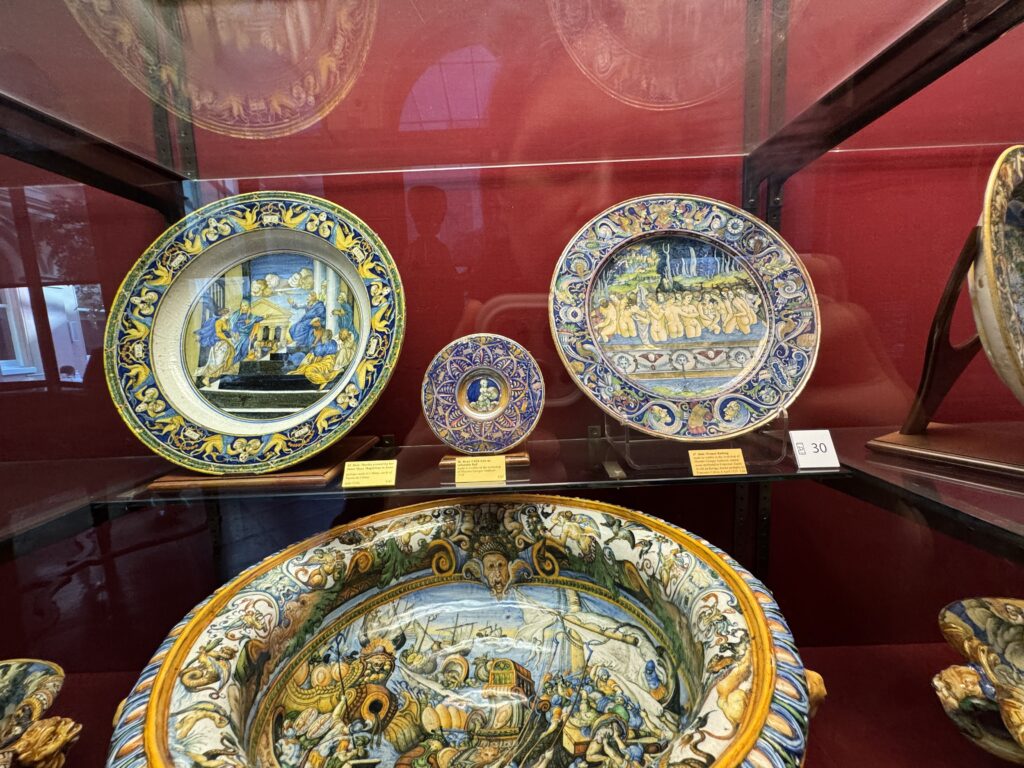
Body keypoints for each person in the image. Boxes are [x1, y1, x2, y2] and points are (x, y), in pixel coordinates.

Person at [195, 307, 234, 385]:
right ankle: (206, 378)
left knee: (223, 360)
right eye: (228, 314)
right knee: (217, 362)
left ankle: (217, 376)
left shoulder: (226, 322)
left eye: (229, 314)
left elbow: (227, 332)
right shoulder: (218, 322)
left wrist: (230, 338)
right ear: (223, 314)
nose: (229, 315)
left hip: (225, 343)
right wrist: (227, 339)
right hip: (220, 344)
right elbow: (219, 333)